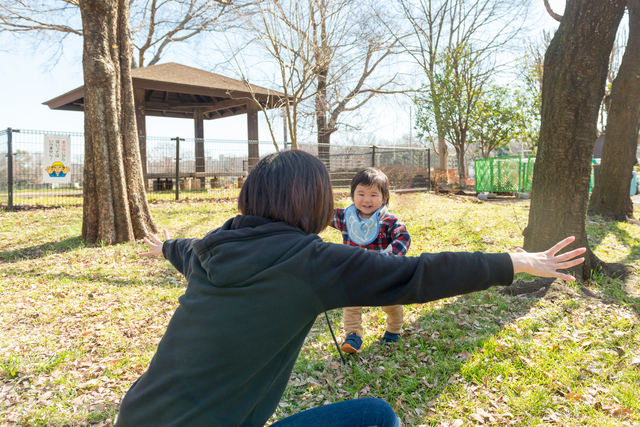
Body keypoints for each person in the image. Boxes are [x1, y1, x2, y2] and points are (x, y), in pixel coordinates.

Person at [116, 150, 585, 427]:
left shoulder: (211, 249)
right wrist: (514, 261)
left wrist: (165, 247)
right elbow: (417, 274)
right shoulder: (310, 262)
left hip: (136, 415)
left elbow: (185, 249)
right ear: (314, 202)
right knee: (376, 417)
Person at [330, 167, 410, 353]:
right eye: (361, 194)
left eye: (374, 194)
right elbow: (320, 215)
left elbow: (403, 238)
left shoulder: (389, 220)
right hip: (355, 272)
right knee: (351, 305)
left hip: (383, 272)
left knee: (390, 304)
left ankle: (393, 330)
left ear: (384, 198)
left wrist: (389, 258)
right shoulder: (344, 217)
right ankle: (353, 335)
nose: (367, 199)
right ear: (352, 195)